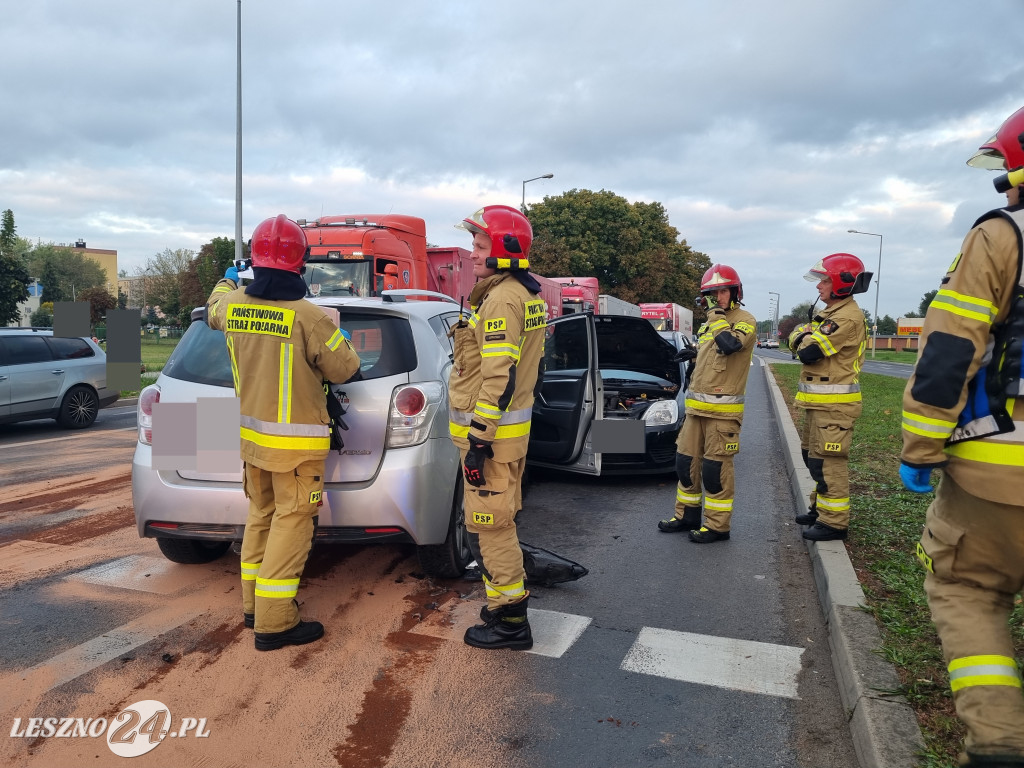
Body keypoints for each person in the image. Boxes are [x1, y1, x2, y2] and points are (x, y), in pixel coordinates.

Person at [900, 106, 1024, 767]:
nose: (1003, 187)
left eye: (1007, 171)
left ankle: (1001, 746)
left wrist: (920, 448)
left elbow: (951, 349)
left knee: (968, 590)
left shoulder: (1004, 235)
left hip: (1003, 467)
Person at [206, 214, 361, 652]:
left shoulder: (233, 305)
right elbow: (346, 368)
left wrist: (226, 279)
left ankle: (253, 607)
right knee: (293, 525)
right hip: (297, 450)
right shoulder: (309, 317)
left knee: (260, 518)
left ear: (254, 262)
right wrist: (340, 338)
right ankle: (274, 623)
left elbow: (215, 304)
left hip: (253, 443)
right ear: (301, 263)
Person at [448, 205, 546, 650]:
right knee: (492, 524)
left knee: (490, 527)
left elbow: (497, 376)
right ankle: (500, 607)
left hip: (490, 442)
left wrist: (478, 441)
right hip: (503, 438)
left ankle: (511, 622)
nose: (471, 253)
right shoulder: (517, 293)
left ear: (504, 251)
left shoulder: (504, 299)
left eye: (479, 244)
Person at [657, 265, 756, 543]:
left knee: (715, 471)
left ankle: (717, 527)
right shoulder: (708, 325)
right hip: (696, 409)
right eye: (712, 293)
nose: (717, 297)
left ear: (735, 292)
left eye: (722, 291)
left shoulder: (744, 319)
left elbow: (729, 345)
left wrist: (715, 313)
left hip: (723, 413)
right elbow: (711, 353)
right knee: (685, 464)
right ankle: (686, 515)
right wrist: (693, 354)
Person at [788, 253, 871, 542]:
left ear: (840, 283)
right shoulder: (830, 316)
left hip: (834, 408)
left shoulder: (846, 317)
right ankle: (820, 509)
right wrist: (803, 334)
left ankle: (834, 523)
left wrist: (803, 335)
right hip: (819, 405)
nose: (818, 287)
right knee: (813, 458)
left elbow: (806, 352)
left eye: (823, 280)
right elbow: (798, 342)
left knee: (828, 462)